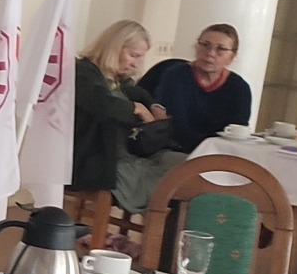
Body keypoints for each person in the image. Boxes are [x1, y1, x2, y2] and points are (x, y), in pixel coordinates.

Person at [71, 19, 170, 213]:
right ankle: (156, 227)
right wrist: (136, 109)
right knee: (169, 181)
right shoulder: (83, 72)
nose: (135, 63)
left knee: (182, 167)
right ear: (115, 47)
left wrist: (154, 106)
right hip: (95, 159)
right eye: (133, 55)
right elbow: (103, 105)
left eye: (139, 57)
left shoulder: (117, 79)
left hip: (120, 154)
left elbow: (140, 94)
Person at [137, 23, 252, 153]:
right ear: (196, 47)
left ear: (232, 57)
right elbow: (174, 125)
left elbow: (237, 132)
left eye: (221, 49)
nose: (210, 53)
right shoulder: (176, 75)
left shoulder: (240, 88)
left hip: (217, 153)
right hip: (175, 148)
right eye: (205, 45)